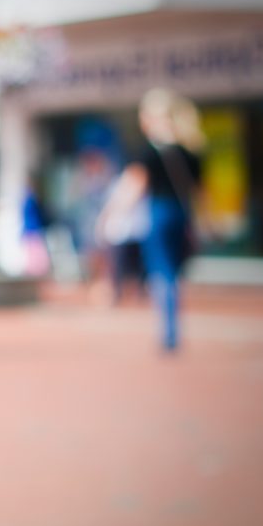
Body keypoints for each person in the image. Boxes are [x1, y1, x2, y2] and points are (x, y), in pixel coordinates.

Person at [99, 89, 203, 351]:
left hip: (159, 213)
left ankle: (169, 332)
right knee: (174, 276)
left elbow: (133, 187)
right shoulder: (190, 152)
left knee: (162, 273)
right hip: (183, 214)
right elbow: (200, 192)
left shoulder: (147, 152)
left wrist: (110, 214)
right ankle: (173, 327)